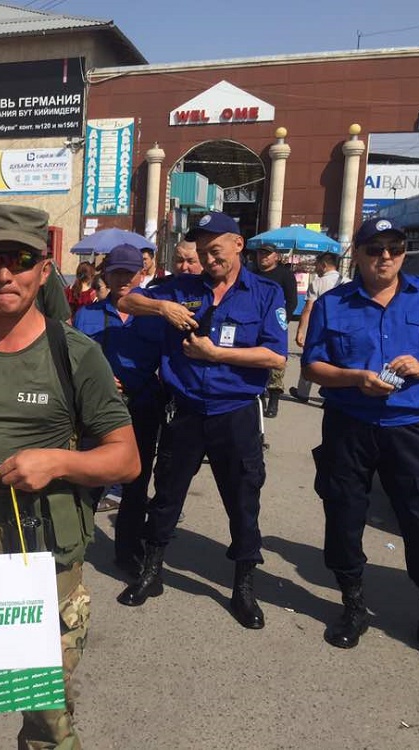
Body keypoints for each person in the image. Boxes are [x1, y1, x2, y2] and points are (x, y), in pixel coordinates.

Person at [0, 204, 139, 750]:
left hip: (44, 562)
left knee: (46, 720)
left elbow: (126, 459)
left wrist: (58, 462)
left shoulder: (74, 354)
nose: (5, 274)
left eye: (21, 259)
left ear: (44, 270)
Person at [116, 211, 288, 630]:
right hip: (187, 410)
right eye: (203, 251)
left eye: (216, 250)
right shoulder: (182, 287)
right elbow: (125, 301)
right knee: (166, 496)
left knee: (242, 501)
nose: (209, 259)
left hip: (235, 412)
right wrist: (162, 307)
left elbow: (276, 356)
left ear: (238, 245)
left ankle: (243, 586)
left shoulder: (264, 293)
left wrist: (217, 354)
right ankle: (151, 571)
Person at [300, 217, 419, 656]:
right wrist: (356, 378)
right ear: (356, 254)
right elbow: (312, 366)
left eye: (395, 248)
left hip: (411, 428)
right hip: (349, 425)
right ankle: (353, 603)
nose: (386, 257)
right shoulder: (333, 304)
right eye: (375, 249)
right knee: (344, 514)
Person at [74, 245, 167, 573]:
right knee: (89, 479)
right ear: (106, 274)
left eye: (130, 272)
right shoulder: (87, 314)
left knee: (136, 484)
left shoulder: (156, 315)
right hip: (98, 409)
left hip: (143, 406)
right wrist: (98, 378)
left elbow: (168, 361)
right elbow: (73, 361)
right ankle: (74, 545)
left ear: (142, 274)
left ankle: (127, 552)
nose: (124, 279)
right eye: (117, 272)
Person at [290, 252, 343, 403]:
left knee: (311, 360)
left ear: (324, 265)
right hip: (342, 330)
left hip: (320, 329)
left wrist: (301, 331)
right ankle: (330, 396)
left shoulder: (318, 283)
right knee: (337, 363)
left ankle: (303, 392)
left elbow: (308, 308)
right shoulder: (347, 282)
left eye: (316, 265)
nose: (315, 268)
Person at [253, 243, 298, 418]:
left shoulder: (285, 275)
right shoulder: (251, 274)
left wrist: (282, 322)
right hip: (253, 324)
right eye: (260, 253)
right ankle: (257, 396)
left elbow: (292, 301)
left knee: (275, 366)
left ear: (276, 257)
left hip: (275, 325)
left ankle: (273, 400)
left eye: (267, 254)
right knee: (254, 362)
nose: (263, 257)